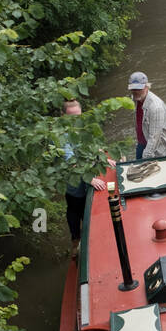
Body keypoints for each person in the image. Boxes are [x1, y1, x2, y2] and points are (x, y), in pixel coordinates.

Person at [62, 101, 108, 256]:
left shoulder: (84, 129)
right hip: (75, 187)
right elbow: (71, 163)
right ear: (64, 116)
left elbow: (93, 148)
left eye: (78, 116)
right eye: (72, 117)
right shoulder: (62, 137)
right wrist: (90, 179)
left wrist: (105, 159)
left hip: (88, 181)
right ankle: (75, 243)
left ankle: (94, 246)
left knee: (92, 217)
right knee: (75, 213)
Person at [128, 72, 166, 160]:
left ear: (147, 87)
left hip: (157, 149)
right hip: (142, 142)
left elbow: (154, 139)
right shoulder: (136, 98)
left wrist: (145, 159)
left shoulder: (156, 107)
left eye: (139, 89)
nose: (136, 92)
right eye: (133, 89)